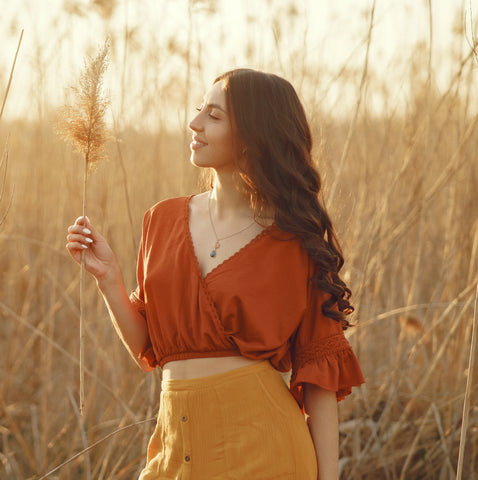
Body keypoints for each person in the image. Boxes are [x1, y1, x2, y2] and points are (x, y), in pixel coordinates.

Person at [66, 68, 364, 480]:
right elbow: (152, 348)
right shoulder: (162, 220)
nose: (194, 123)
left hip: (267, 454)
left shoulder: (294, 240)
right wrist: (109, 280)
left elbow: (320, 378)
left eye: (214, 116)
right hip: (174, 453)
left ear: (254, 133)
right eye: (198, 111)